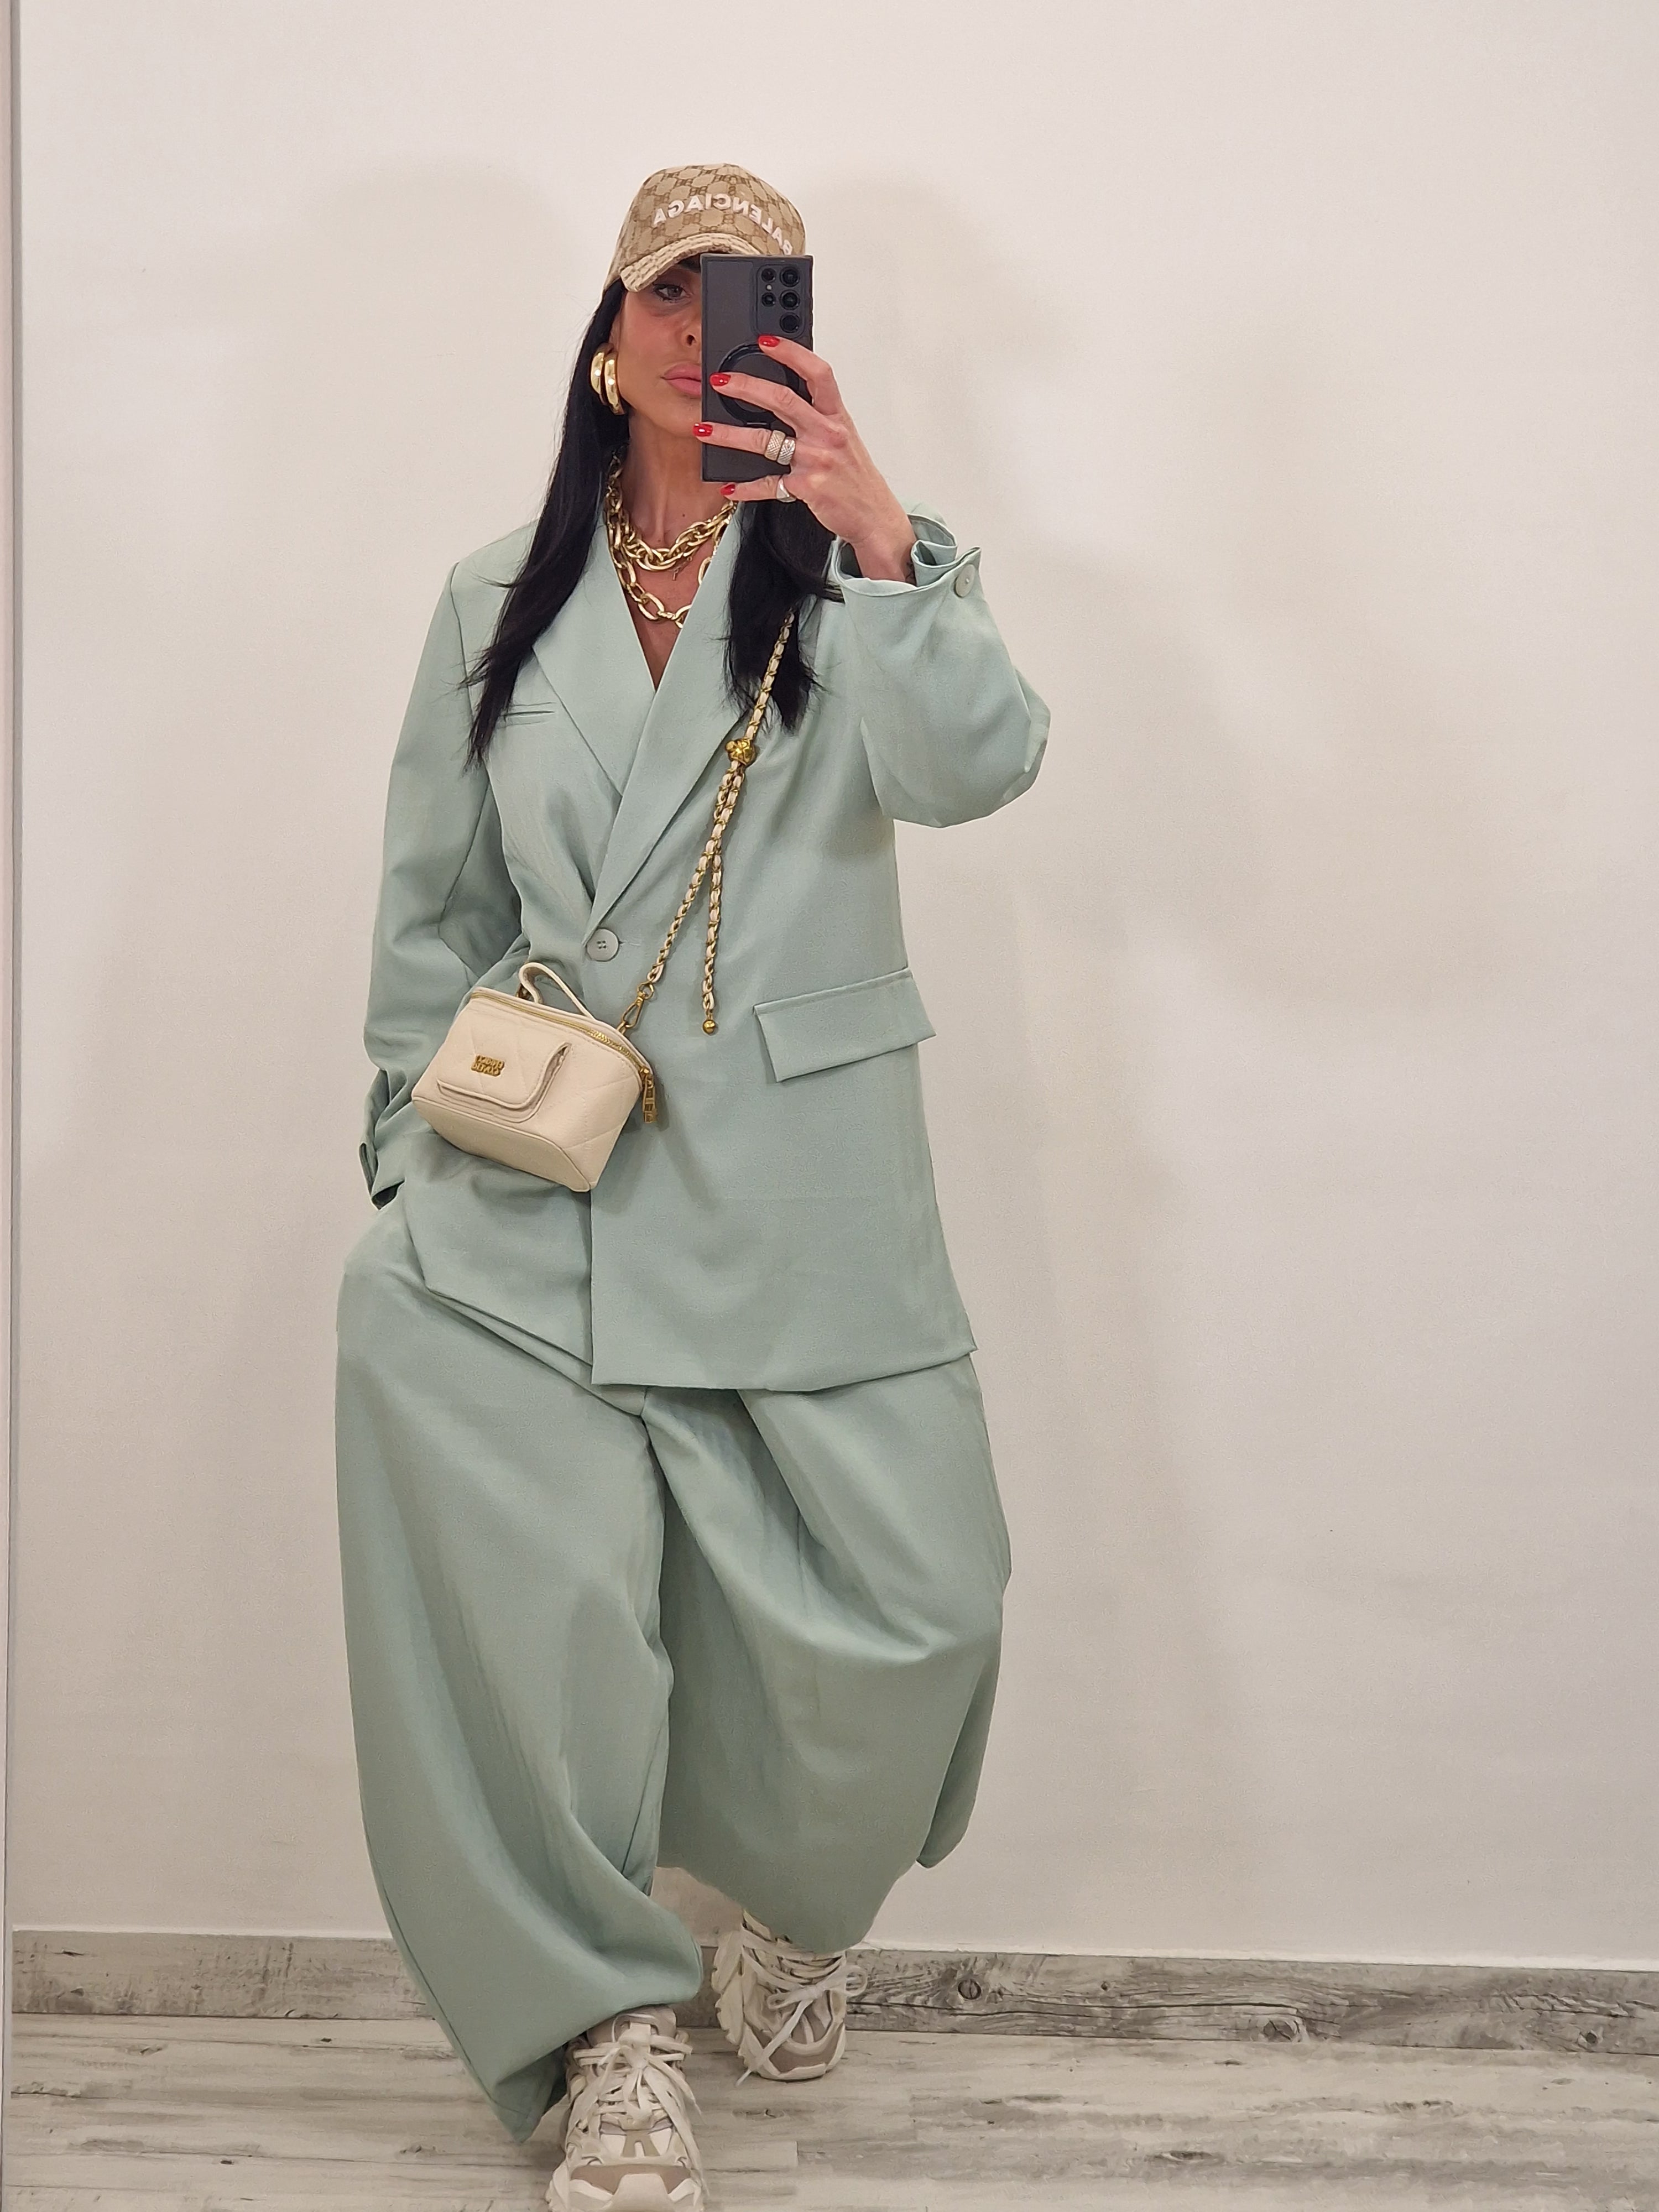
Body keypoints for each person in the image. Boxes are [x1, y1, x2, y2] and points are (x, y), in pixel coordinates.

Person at [334, 162, 1048, 2212]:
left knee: (924, 1606)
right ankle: (606, 2030)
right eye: (665, 288)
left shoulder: (849, 576)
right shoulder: (495, 596)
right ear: (608, 330)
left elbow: (981, 768)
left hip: (808, 1184)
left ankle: (790, 1923)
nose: (692, 327)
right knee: (541, 1626)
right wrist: (406, 1149)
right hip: (534, 1201)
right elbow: (432, 911)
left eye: (741, 295)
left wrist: (882, 535)